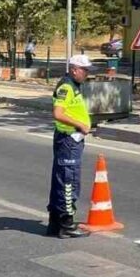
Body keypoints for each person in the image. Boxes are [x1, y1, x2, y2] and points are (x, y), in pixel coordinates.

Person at [48, 54, 94, 238]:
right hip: (68, 140)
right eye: (85, 70)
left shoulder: (73, 86)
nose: (87, 74)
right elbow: (58, 113)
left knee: (60, 179)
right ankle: (66, 224)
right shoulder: (67, 87)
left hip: (69, 139)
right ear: (74, 69)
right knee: (69, 181)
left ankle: (55, 223)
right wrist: (80, 125)